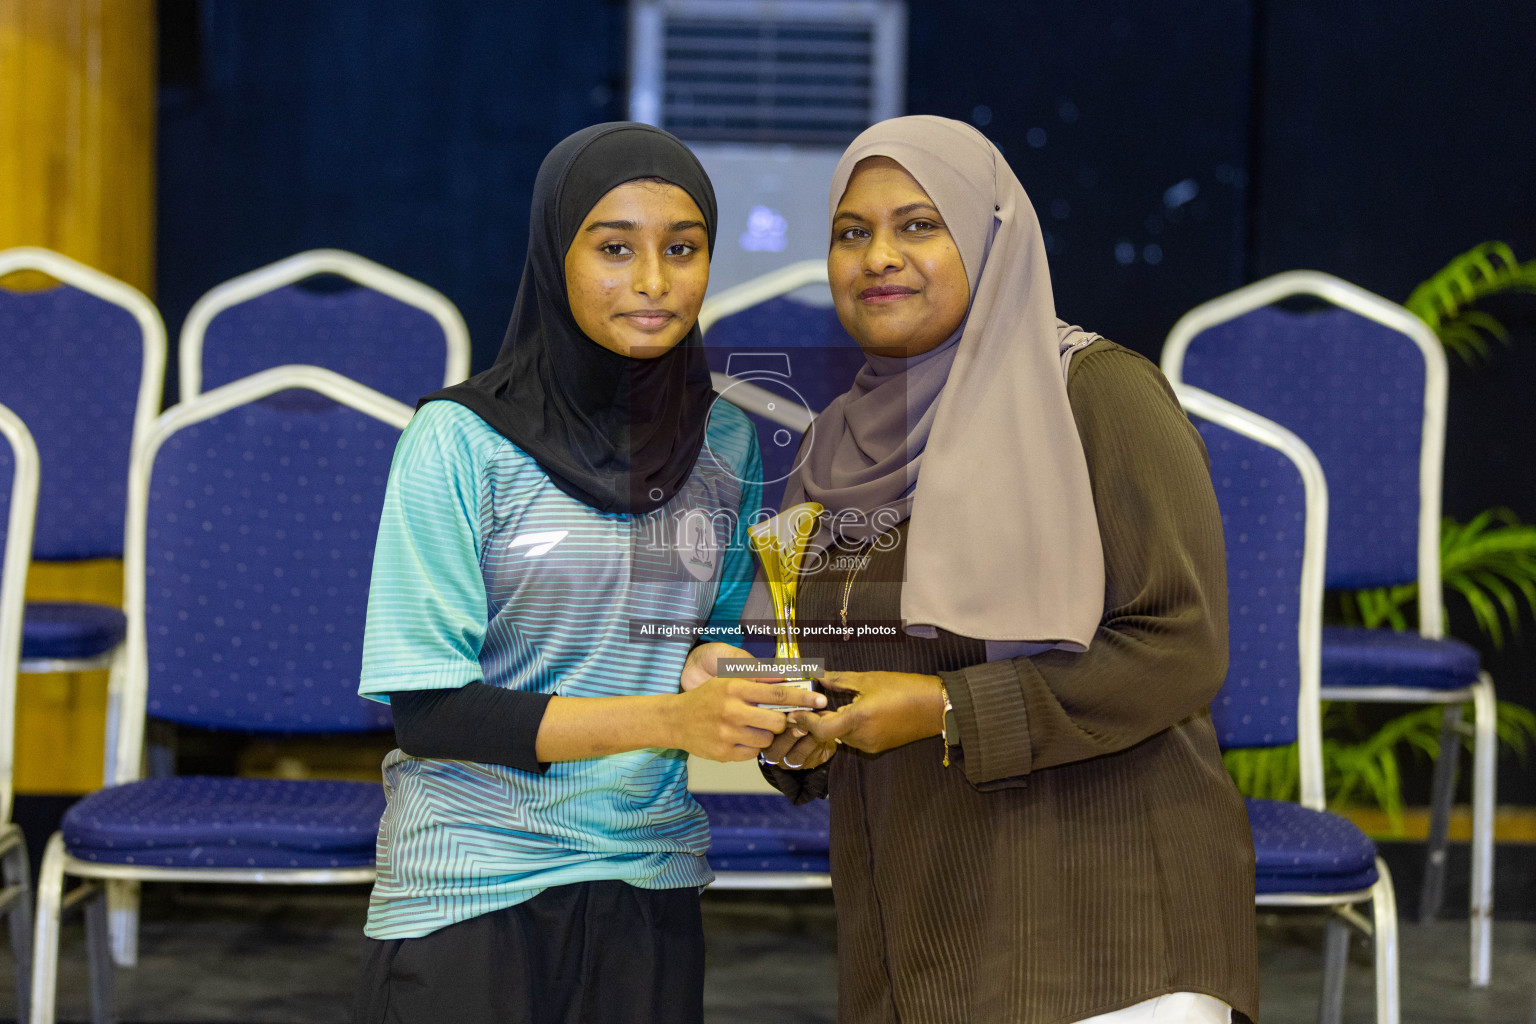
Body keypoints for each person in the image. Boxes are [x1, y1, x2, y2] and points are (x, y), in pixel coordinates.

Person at [754, 115, 1258, 1024]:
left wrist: (945, 710)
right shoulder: (830, 446)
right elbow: (825, 663)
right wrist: (794, 724)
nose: (878, 257)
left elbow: (1180, 644)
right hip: (922, 920)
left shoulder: (1094, 393)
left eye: (919, 224)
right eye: (851, 232)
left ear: (991, 237)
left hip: (1107, 925)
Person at [350, 122, 823, 1024]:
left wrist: (738, 681)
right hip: (474, 879)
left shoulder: (723, 439)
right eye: (615, 249)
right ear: (554, 257)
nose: (653, 283)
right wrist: (672, 718)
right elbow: (431, 709)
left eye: (682, 250)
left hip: (648, 866)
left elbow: (710, 633)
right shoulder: (459, 441)